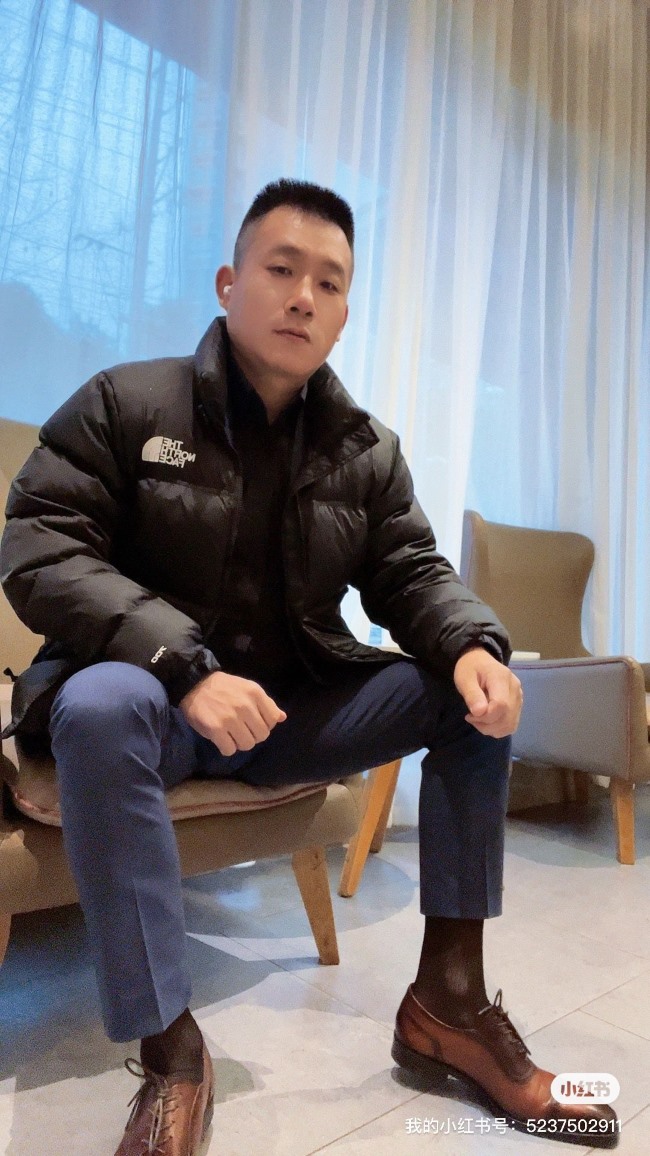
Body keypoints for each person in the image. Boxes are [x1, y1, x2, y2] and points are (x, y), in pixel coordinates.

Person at [0, 179, 618, 1154]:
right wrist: (183, 668)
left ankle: (449, 1002)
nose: (302, 297)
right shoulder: (127, 402)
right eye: (281, 269)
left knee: (460, 693)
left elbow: (410, 571)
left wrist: (472, 644)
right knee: (102, 702)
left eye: (328, 283)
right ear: (227, 282)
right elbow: (41, 545)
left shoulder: (364, 451)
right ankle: (171, 1051)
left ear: (342, 312)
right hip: (156, 709)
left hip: (291, 712)